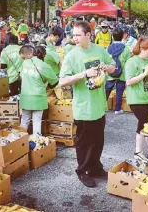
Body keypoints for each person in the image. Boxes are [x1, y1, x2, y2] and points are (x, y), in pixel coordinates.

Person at [59, 21, 115, 188]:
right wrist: (84, 74)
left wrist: (107, 67)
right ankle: (82, 171)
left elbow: (114, 67)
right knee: (84, 143)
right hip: (83, 108)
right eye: (73, 35)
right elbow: (62, 81)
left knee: (98, 141)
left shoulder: (99, 50)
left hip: (99, 106)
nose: (74, 38)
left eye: (78, 35)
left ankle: (96, 168)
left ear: (88, 35)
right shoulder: (71, 55)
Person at [19, 45, 58, 135]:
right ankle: (37, 143)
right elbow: (55, 83)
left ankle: (20, 141)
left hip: (25, 97)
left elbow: (21, 77)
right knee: (36, 120)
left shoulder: (25, 63)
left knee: (25, 119)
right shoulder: (45, 66)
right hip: (38, 98)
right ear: (44, 55)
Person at [105, 28, 131, 115]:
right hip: (121, 74)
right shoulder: (126, 49)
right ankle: (117, 109)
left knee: (107, 90)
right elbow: (128, 64)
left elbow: (105, 61)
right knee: (119, 91)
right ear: (122, 37)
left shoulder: (108, 48)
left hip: (110, 74)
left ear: (112, 36)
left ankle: (103, 106)